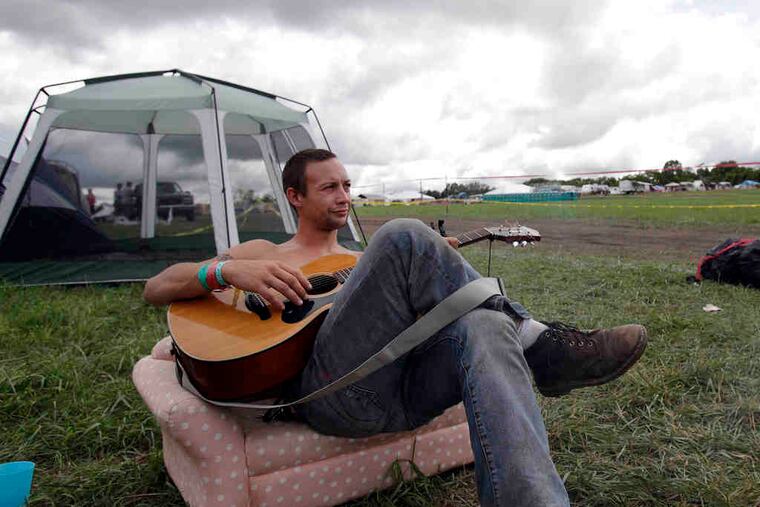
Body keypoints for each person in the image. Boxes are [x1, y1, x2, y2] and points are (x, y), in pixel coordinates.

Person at [144, 149, 647, 506]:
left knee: (485, 325)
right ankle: (544, 346)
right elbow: (157, 286)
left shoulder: (369, 263)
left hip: (408, 391)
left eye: (346, 185)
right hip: (334, 396)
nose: (344, 196)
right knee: (404, 235)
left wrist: (434, 266)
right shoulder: (263, 255)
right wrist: (225, 271)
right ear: (294, 196)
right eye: (329, 187)